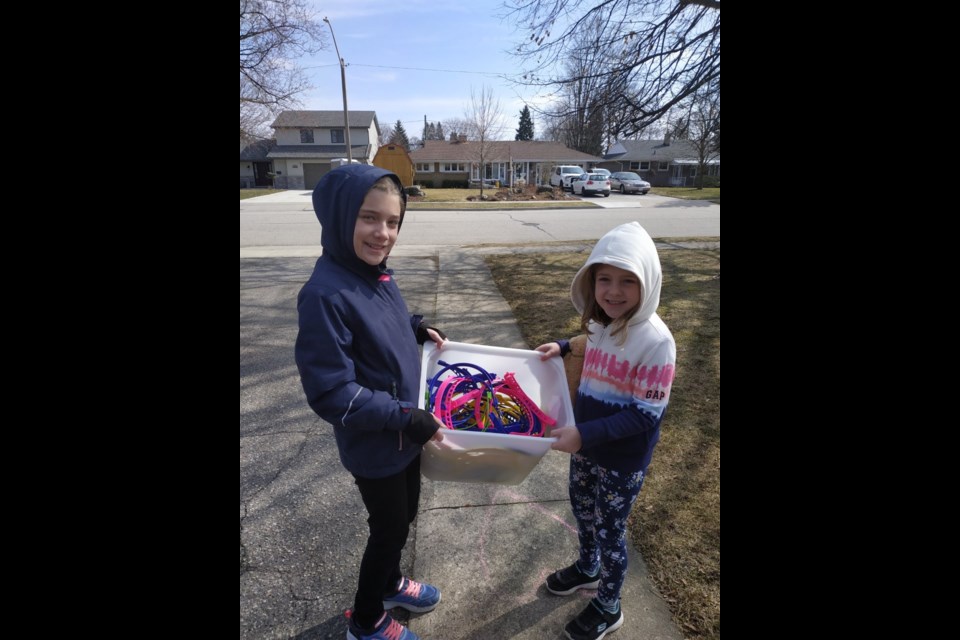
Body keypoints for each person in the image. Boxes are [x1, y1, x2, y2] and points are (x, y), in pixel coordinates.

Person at [295, 164, 448, 640]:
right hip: (377, 442)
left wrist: (415, 327)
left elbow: (385, 322)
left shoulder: (375, 275)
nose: (382, 233)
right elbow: (331, 391)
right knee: (387, 530)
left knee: (403, 518)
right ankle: (366, 620)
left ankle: (389, 583)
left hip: (404, 434)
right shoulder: (325, 293)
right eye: (369, 218)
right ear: (341, 217)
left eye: (392, 222)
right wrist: (405, 416)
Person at [535, 222, 676, 640]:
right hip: (587, 446)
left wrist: (585, 435)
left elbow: (645, 415)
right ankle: (587, 567)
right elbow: (588, 342)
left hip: (621, 459)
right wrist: (562, 345)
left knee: (611, 528)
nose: (613, 292)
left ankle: (609, 604)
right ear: (591, 281)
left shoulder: (657, 342)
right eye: (604, 280)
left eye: (627, 281)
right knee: (582, 509)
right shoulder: (601, 323)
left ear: (647, 283)